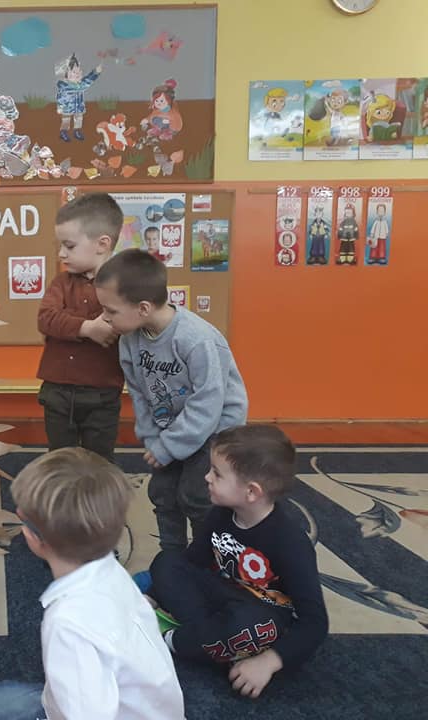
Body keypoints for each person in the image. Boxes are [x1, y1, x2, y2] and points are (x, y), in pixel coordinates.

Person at [0, 447, 185, 720]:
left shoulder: (67, 623)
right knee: (2, 700)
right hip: (147, 706)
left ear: (33, 537)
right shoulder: (112, 571)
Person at [148, 425, 329, 699]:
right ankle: (212, 642)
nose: (207, 477)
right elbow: (193, 560)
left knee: (247, 625)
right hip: (222, 597)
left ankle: (172, 640)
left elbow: (315, 622)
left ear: (251, 492)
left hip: (261, 616)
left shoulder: (291, 543)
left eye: (217, 474)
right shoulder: (220, 514)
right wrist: (153, 595)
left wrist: (269, 662)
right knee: (166, 562)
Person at [94, 249, 248, 551]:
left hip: (216, 429)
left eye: (110, 311)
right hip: (170, 430)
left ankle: (209, 557)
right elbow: (139, 393)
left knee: (197, 495)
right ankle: (173, 557)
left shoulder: (197, 339)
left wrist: (170, 445)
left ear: (143, 308)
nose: (104, 318)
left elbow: (208, 403)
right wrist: (154, 438)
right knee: (163, 493)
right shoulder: (130, 340)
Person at [36, 192, 125, 463]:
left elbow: (126, 324)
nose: (61, 254)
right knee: (60, 461)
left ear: (102, 244)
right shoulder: (61, 283)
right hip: (58, 394)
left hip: (103, 395)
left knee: (99, 462)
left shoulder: (123, 285)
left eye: (69, 246)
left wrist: (73, 323)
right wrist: (87, 328)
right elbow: (46, 318)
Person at [55, 53, 103, 142]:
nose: (78, 74)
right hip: (67, 107)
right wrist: (60, 106)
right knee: (66, 120)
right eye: (74, 72)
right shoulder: (65, 87)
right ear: (67, 74)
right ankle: (63, 132)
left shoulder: (79, 85)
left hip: (78, 106)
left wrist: (95, 72)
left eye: (79, 71)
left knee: (79, 119)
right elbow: (60, 98)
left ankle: (77, 131)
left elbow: (87, 81)